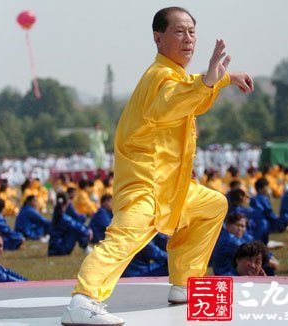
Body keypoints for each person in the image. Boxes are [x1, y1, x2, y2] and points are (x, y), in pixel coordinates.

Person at [61, 6, 253, 326]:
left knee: (212, 205)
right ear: (158, 38)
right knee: (125, 236)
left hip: (171, 185)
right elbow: (171, 103)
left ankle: (184, 284)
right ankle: (83, 300)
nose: (188, 38)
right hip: (145, 181)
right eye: (179, 31)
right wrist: (209, 81)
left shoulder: (174, 75)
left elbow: (189, 93)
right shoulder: (159, 76)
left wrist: (224, 79)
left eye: (192, 32)